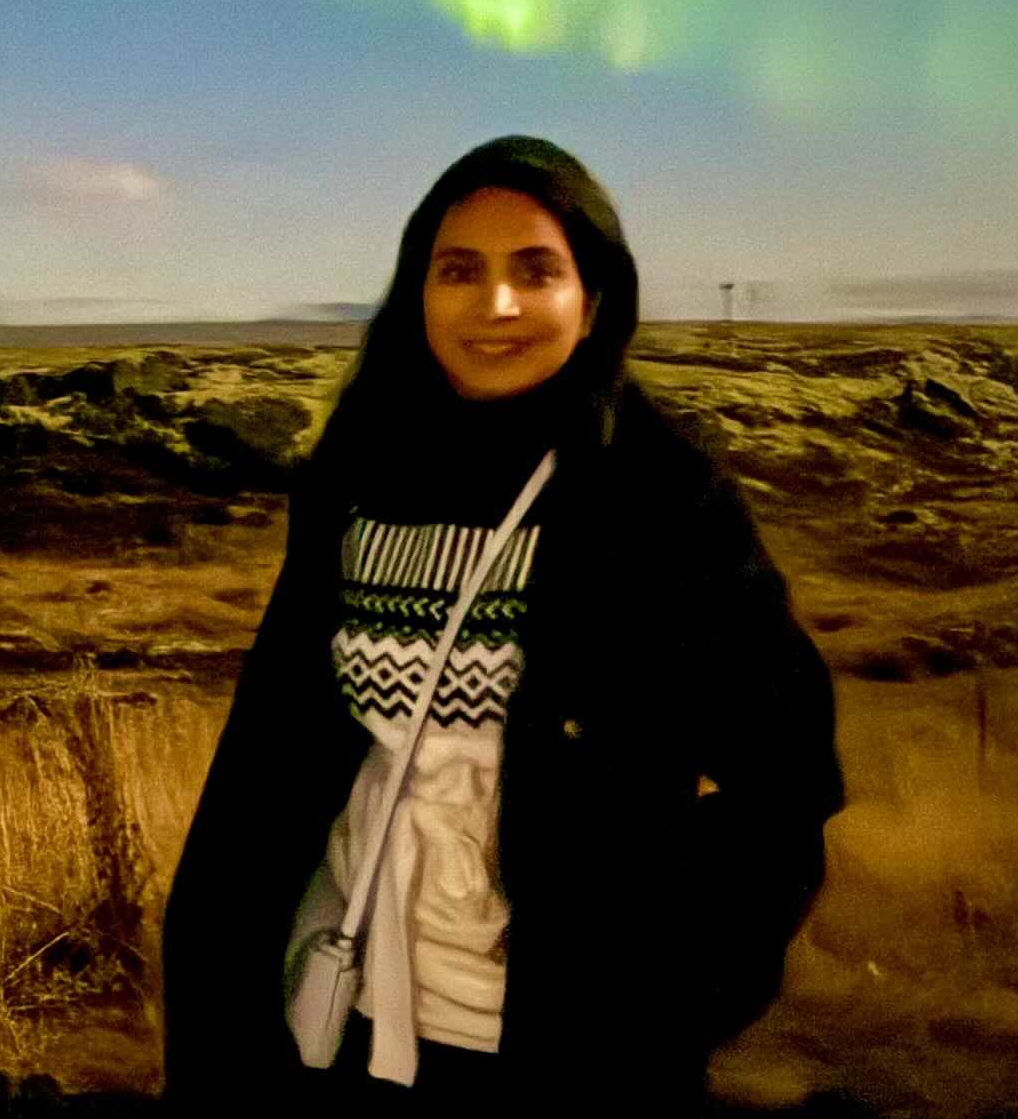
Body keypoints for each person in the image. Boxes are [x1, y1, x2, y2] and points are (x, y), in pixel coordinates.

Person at [158, 135, 845, 1116]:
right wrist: (218, 1001)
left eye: (537, 271)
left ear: (593, 299)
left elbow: (786, 780)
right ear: (417, 293)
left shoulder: (660, 501)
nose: (496, 306)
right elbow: (269, 760)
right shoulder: (358, 476)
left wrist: (666, 990)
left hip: (565, 1053)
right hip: (332, 1011)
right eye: (458, 271)